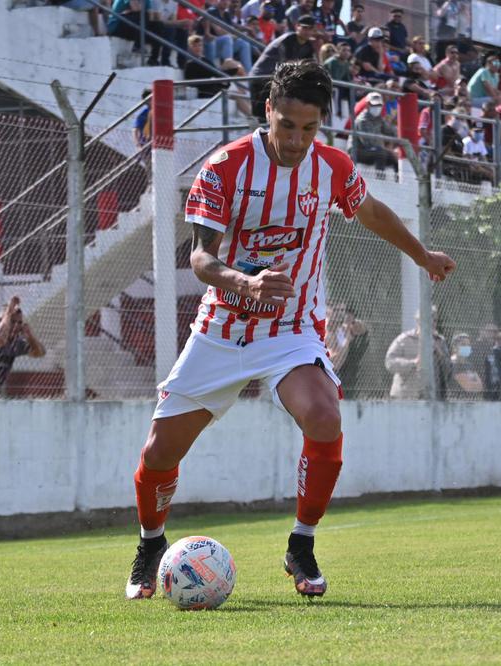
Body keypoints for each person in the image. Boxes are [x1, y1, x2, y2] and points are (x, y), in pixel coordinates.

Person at [124, 61, 456, 601]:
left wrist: (422, 255)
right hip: (222, 328)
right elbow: (201, 258)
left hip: (291, 329)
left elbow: (369, 212)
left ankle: (300, 545)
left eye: (309, 128)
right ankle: (150, 544)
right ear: (267, 113)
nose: (298, 140)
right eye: (287, 126)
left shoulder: (331, 166)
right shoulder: (225, 167)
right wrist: (245, 283)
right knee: (161, 451)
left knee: (323, 415)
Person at [247, 15, 316, 119]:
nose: (307, 31)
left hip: (275, 81)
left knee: (269, 118)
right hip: (261, 78)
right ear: (297, 26)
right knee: (261, 116)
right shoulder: (287, 39)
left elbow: (309, 66)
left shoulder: (308, 46)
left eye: (310, 29)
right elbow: (287, 64)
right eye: (304, 27)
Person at [384, 307, 452, 400]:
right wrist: (413, 363)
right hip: (406, 397)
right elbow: (390, 362)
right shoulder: (405, 339)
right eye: (428, 319)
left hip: (433, 397)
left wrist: (439, 352)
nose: (432, 323)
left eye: (434, 320)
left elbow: (449, 369)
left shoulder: (440, 341)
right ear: (418, 321)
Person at [325, 303, 369, 398]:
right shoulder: (326, 331)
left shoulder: (342, 329)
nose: (339, 314)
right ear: (329, 312)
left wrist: (353, 323)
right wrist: (347, 341)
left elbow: (362, 329)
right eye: (336, 310)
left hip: (340, 373)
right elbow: (333, 359)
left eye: (342, 311)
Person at [449, 332, 484, 399]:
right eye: (463, 344)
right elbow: (468, 387)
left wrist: (472, 385)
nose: (466, 347)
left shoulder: (469, 364)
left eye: (468, 345)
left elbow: (480, 386)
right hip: (459, 401)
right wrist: (473, 384)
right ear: (455, 347)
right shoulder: (454, 364)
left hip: (472, 401)